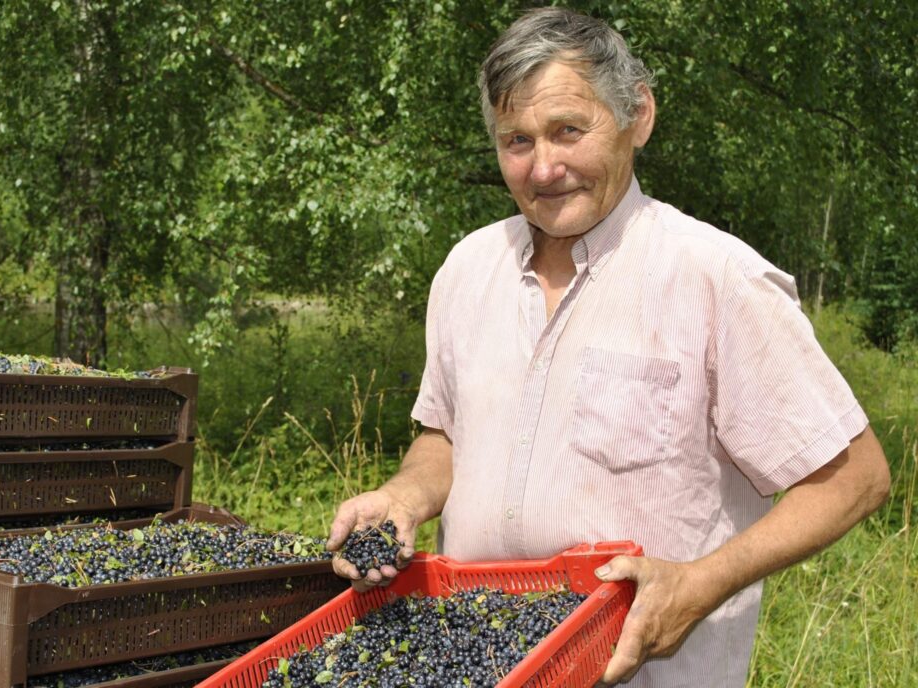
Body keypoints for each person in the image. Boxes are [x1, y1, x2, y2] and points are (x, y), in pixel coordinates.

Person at [326, 7, 891, 686]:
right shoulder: (468, 269)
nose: (544, 167)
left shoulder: (715, 277)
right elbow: (446, 437)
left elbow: (855, 479)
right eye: (517, 140)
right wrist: (405, 496)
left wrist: (699, 584)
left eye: (569, 131)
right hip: (472, 665)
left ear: (638, 115)